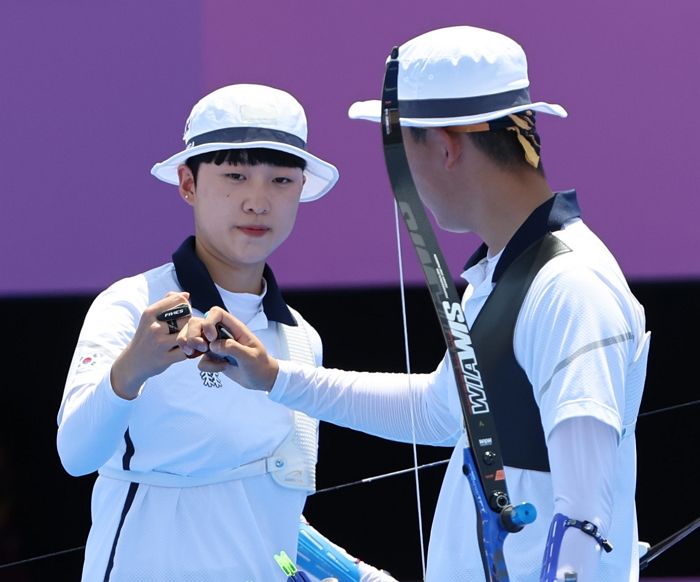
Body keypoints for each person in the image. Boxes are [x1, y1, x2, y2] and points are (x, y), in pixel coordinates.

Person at [179, 27, 651, 582]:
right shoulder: (507, 276)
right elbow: (438, 410)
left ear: (446, 146)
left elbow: (583, 522)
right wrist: (275, 376)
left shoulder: (568, 286)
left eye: (403, 151)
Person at [57, 84, 394, 582]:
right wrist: (134, 368)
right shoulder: (132, 304)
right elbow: (75, 455)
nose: (258, 202)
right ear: (188, 184)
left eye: (281, 180)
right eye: (235, 175)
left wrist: (354, 573)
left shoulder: (301, 336)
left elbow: (269, 499)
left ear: (301, 189)